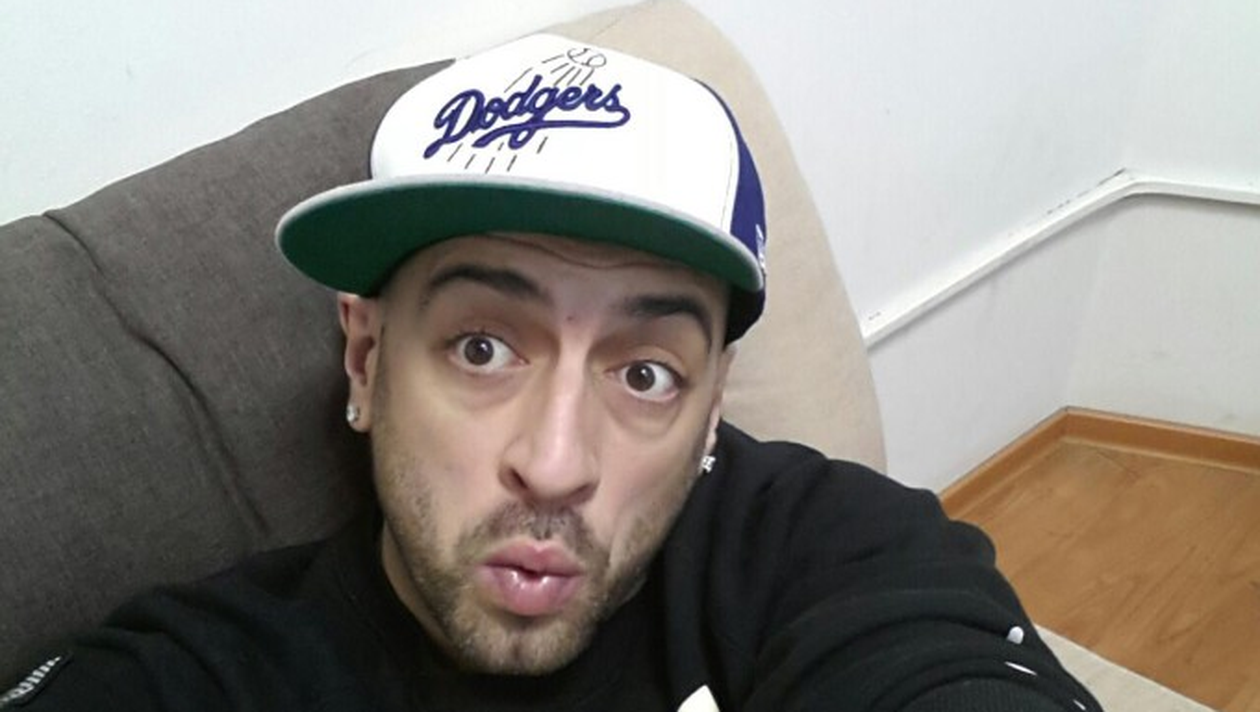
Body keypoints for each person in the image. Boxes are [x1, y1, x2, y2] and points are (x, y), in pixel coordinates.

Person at [1, 34, 1099, 711]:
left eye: (647, 374)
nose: (557, 462)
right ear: (368, 359)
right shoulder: (202, 672)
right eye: (483, 347)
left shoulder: (824, 550)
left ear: (712, 408)